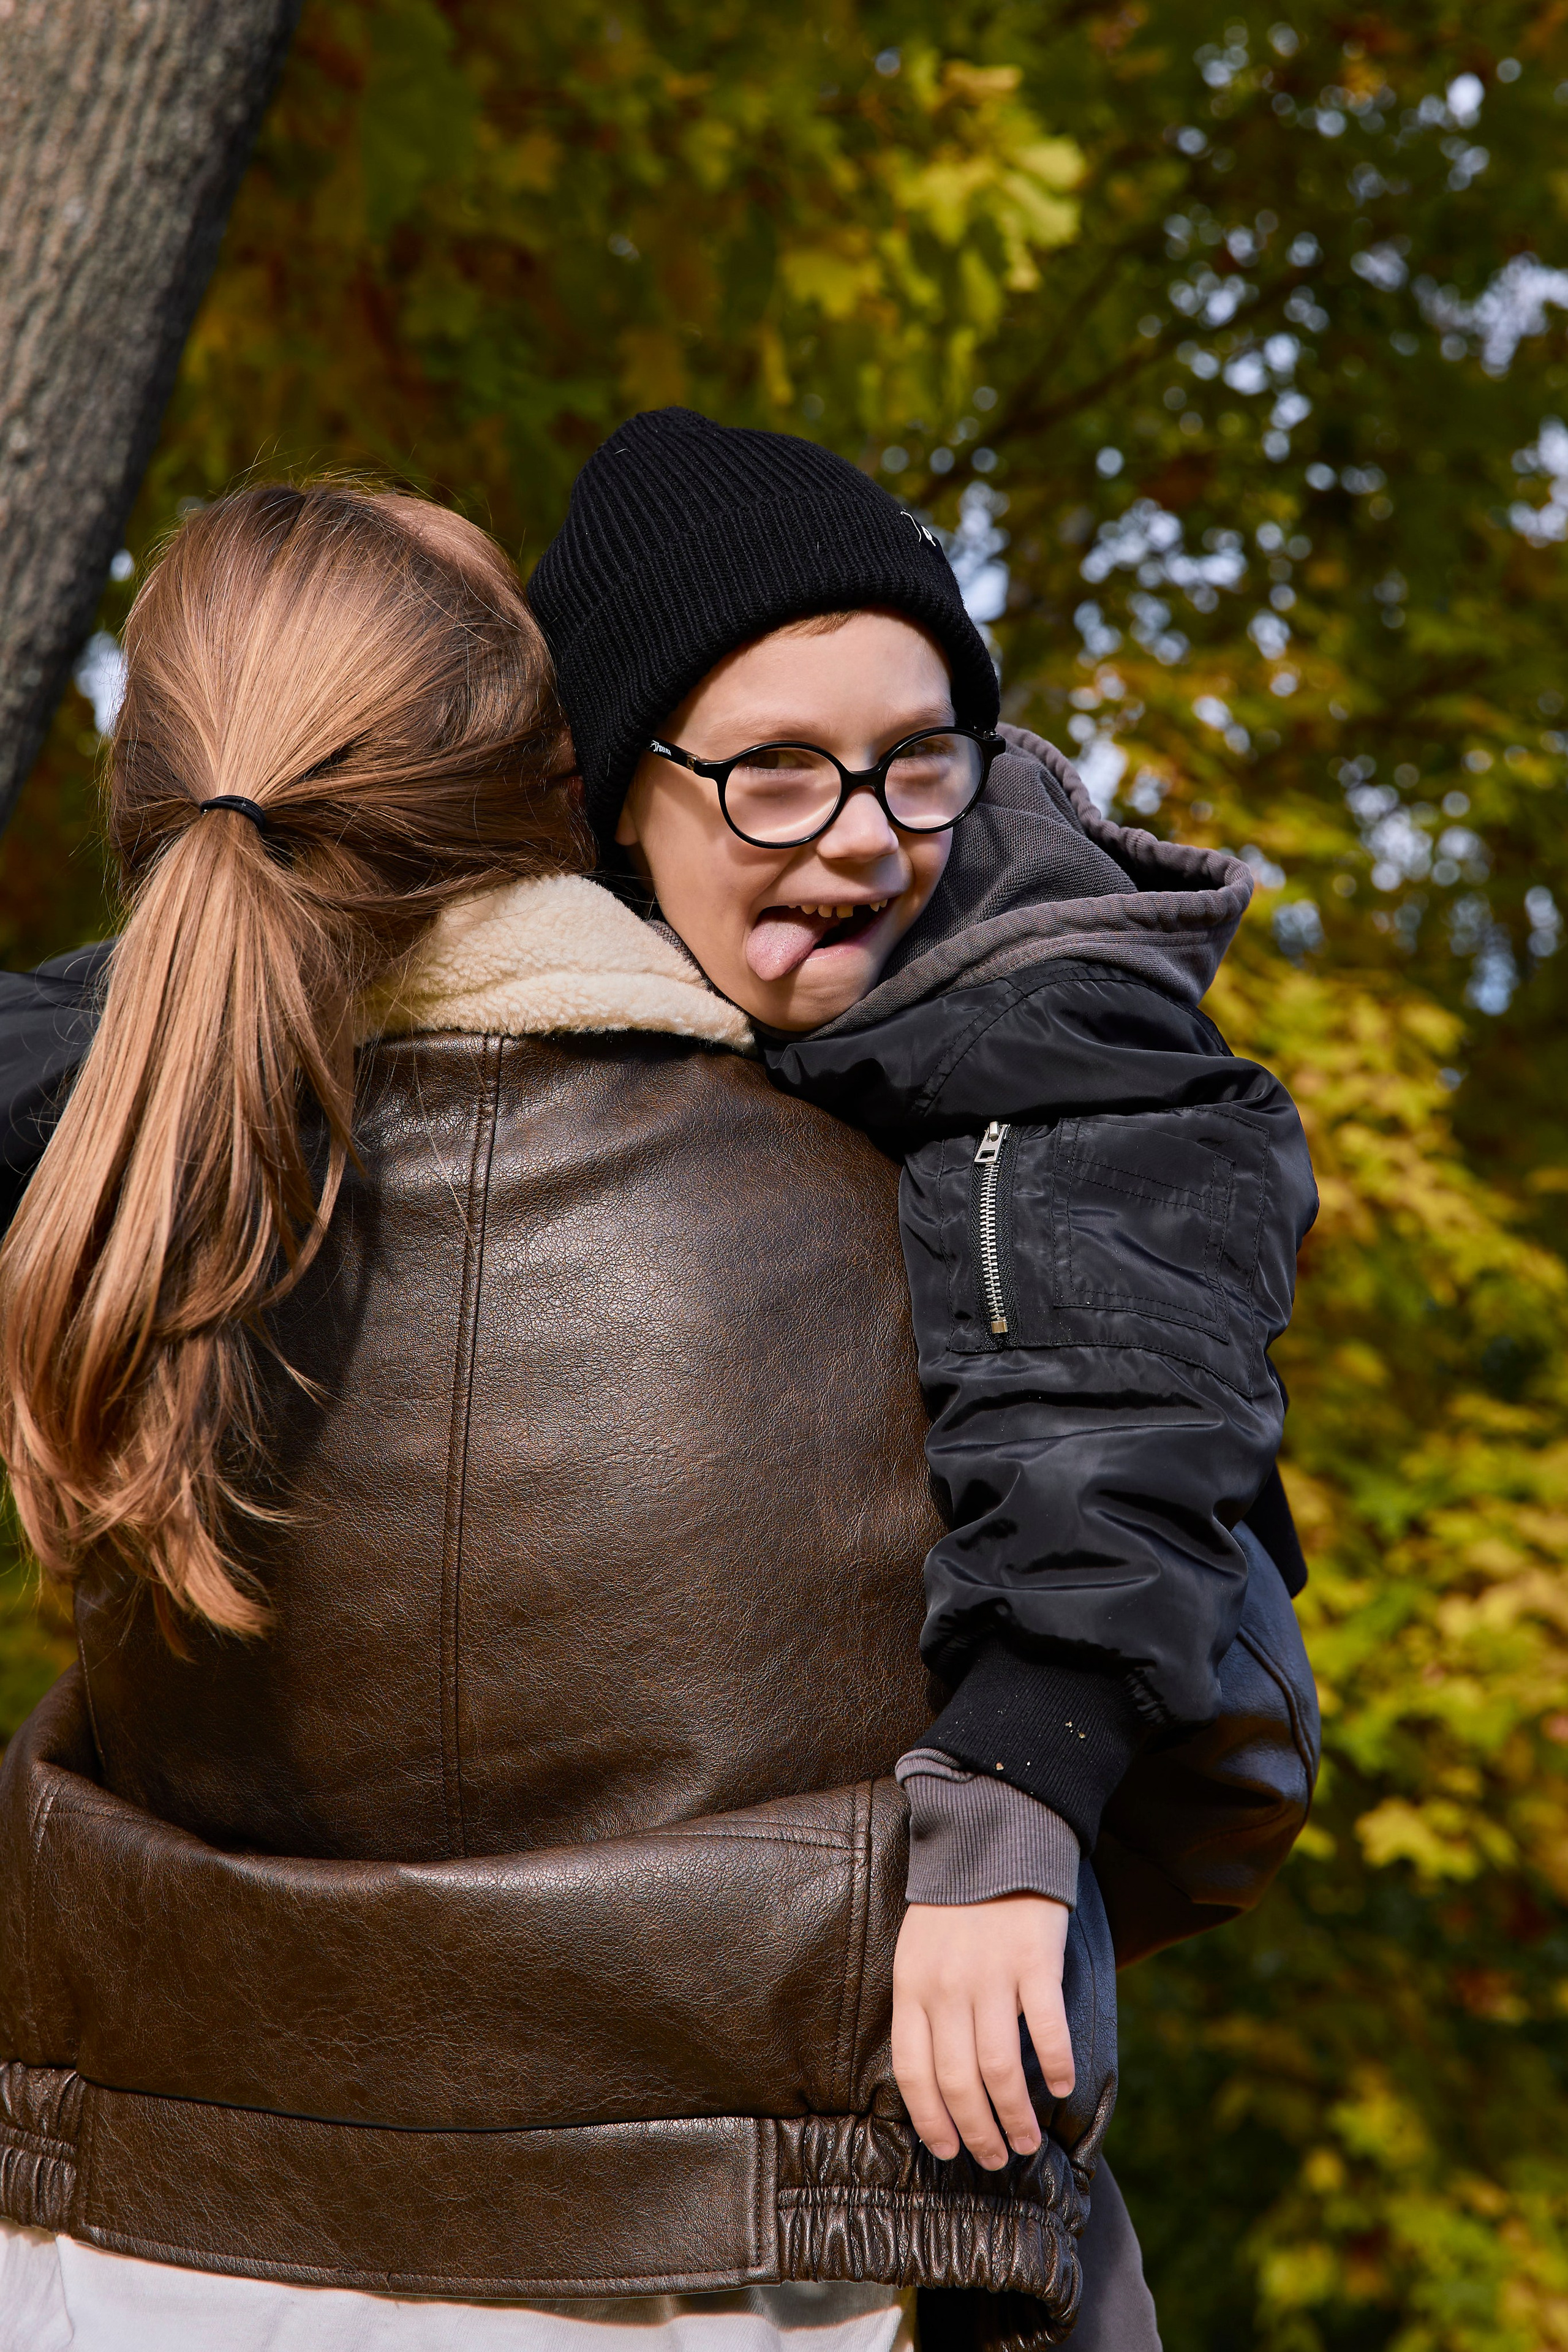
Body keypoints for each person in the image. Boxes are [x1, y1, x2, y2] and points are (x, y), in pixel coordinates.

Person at [0, 480, 1128, 2351]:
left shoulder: (129, 1232)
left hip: (116, 2264)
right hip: (732, 2274)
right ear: (573, 780)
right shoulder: (924, 1232)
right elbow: (1221, 1756)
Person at [527, 408, 1319, 2170]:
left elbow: (1116, 1387)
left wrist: (1019, 1787)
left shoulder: (1043, 991)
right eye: (780, 775)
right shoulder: (542, 998)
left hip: (974, 1872)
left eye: (918, 759)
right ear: (612, 797)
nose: (870, 840)